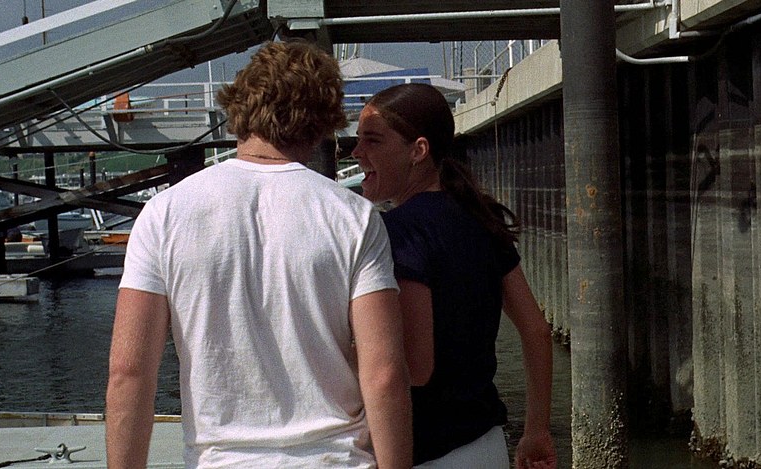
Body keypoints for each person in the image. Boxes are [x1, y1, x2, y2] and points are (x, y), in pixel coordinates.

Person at [106, 40, 412, 469]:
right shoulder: (354, 217)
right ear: (323, 123)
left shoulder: (163, 214)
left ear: (239, 107)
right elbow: (384, 375)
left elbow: (129, 372)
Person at [352, 82, 557, 469]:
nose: (356, 152)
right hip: (487, 444)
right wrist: (536, 431)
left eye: (372, 141)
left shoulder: (398, 232)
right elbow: (536, 331)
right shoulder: (482, 218)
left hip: (427, 453)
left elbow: (416, 367)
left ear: (418, 151)